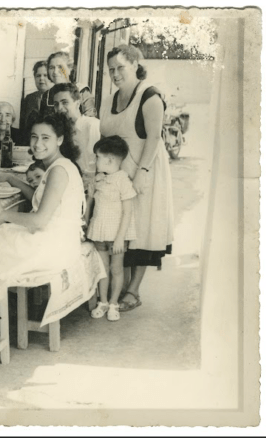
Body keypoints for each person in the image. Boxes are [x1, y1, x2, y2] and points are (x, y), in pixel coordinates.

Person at [99, 44, 174, 312]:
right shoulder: (109, 100)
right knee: (121, 228)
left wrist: (141, 174)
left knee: (143, 228)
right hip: (117, 174)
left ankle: (133, 290)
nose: (115, 74)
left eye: (120, 67)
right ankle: (120, 285)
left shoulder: (149, 96)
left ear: (134, 65)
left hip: (146, 170)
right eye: (111, 70)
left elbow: (154, 138)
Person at [0, 113, 85, 283]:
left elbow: (39, 220)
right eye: (34, 137)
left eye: (45, 138)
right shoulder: (60, 164)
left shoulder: (58, 171)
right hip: (61, 241)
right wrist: (11, 179)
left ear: (60, 140)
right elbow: (42, 201)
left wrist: (2, 213)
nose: (38, 144)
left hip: (53, 247)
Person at [86, 136, 137, 322]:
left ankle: (114, 303)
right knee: (102, 269)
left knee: (116, 269)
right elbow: (91, 207)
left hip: (117, 234)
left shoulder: (122, 180)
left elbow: (128, 212)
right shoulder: (99, 179)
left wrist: (119, 238)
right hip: (99, 230)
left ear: (109, 160)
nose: (94, 161)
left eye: (97, 157)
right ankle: (103, 301)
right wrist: (90, 195)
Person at [52, 82, 101, 188]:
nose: (59, 108)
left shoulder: (92, 125)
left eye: (64, 102)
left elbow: (96, 165)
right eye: (56, 104)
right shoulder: (59, 130)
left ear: (77, 104)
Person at [40, 51, 97, 118]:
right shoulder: (46, 95)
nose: (55, 72)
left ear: (69, 69)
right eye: (51, 68)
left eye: (60, 67)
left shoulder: (82, 91)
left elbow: (90, 120)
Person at [19, 61, 51, 139]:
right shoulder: (29, 99)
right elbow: (23, 126)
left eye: (45, 75)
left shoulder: (57, 98)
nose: (41, 79)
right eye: (38, 76)